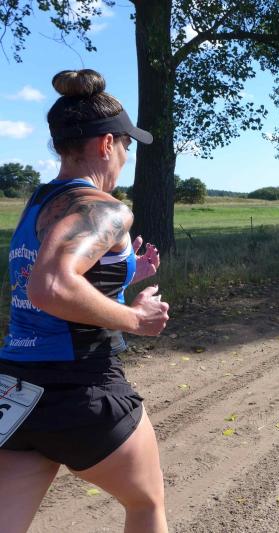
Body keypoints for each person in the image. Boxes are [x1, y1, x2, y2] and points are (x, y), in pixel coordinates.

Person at [0, 69, 170, 533]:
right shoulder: (104, 208)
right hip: (82, 388)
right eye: (127, 146)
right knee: (146, 503)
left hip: (15, 389)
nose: (125, 158)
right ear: (106, 144)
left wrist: (126, 271)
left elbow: (41, 277)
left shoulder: (39, 203)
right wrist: (135, 318)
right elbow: (51, 286)